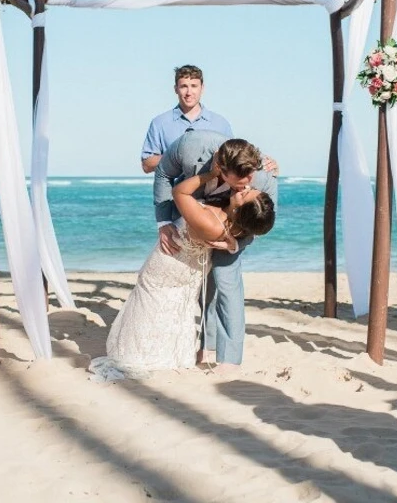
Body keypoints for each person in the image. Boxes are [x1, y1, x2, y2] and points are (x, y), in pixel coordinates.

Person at [89, 156, 275, 381]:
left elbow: (179, 193)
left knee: (150, 304)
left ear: (240, 210)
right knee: (174, 311)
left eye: (246, 194)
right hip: (191, 272)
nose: (246, 187)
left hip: (168, 264)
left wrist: (211, 174)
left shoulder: (211, 221)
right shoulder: (235, 230)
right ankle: (168, 355)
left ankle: (137, 354)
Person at [154, 130, 278, 373]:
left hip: (234, 228)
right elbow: (163, 173)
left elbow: (264, 218)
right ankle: (205, 346)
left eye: (250, 178)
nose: (248, 184)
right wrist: (163, 222)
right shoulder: (189, 147)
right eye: (241, 182)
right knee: (198, 285)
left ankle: (230, 358)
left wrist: (234, 243)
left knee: (226, 282)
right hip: (193, 213)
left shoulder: (259, 176)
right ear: (221, 168)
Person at [141, 65, 233, 173]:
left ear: (202, 88)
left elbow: (233, 163)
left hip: (211, 189)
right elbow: (146, 166)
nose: (189, 92)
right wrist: (178, 154)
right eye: (184, 86)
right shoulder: (159, 123)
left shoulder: (220, 123)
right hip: (171, 189)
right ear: (176, 89)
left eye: (194, 86)